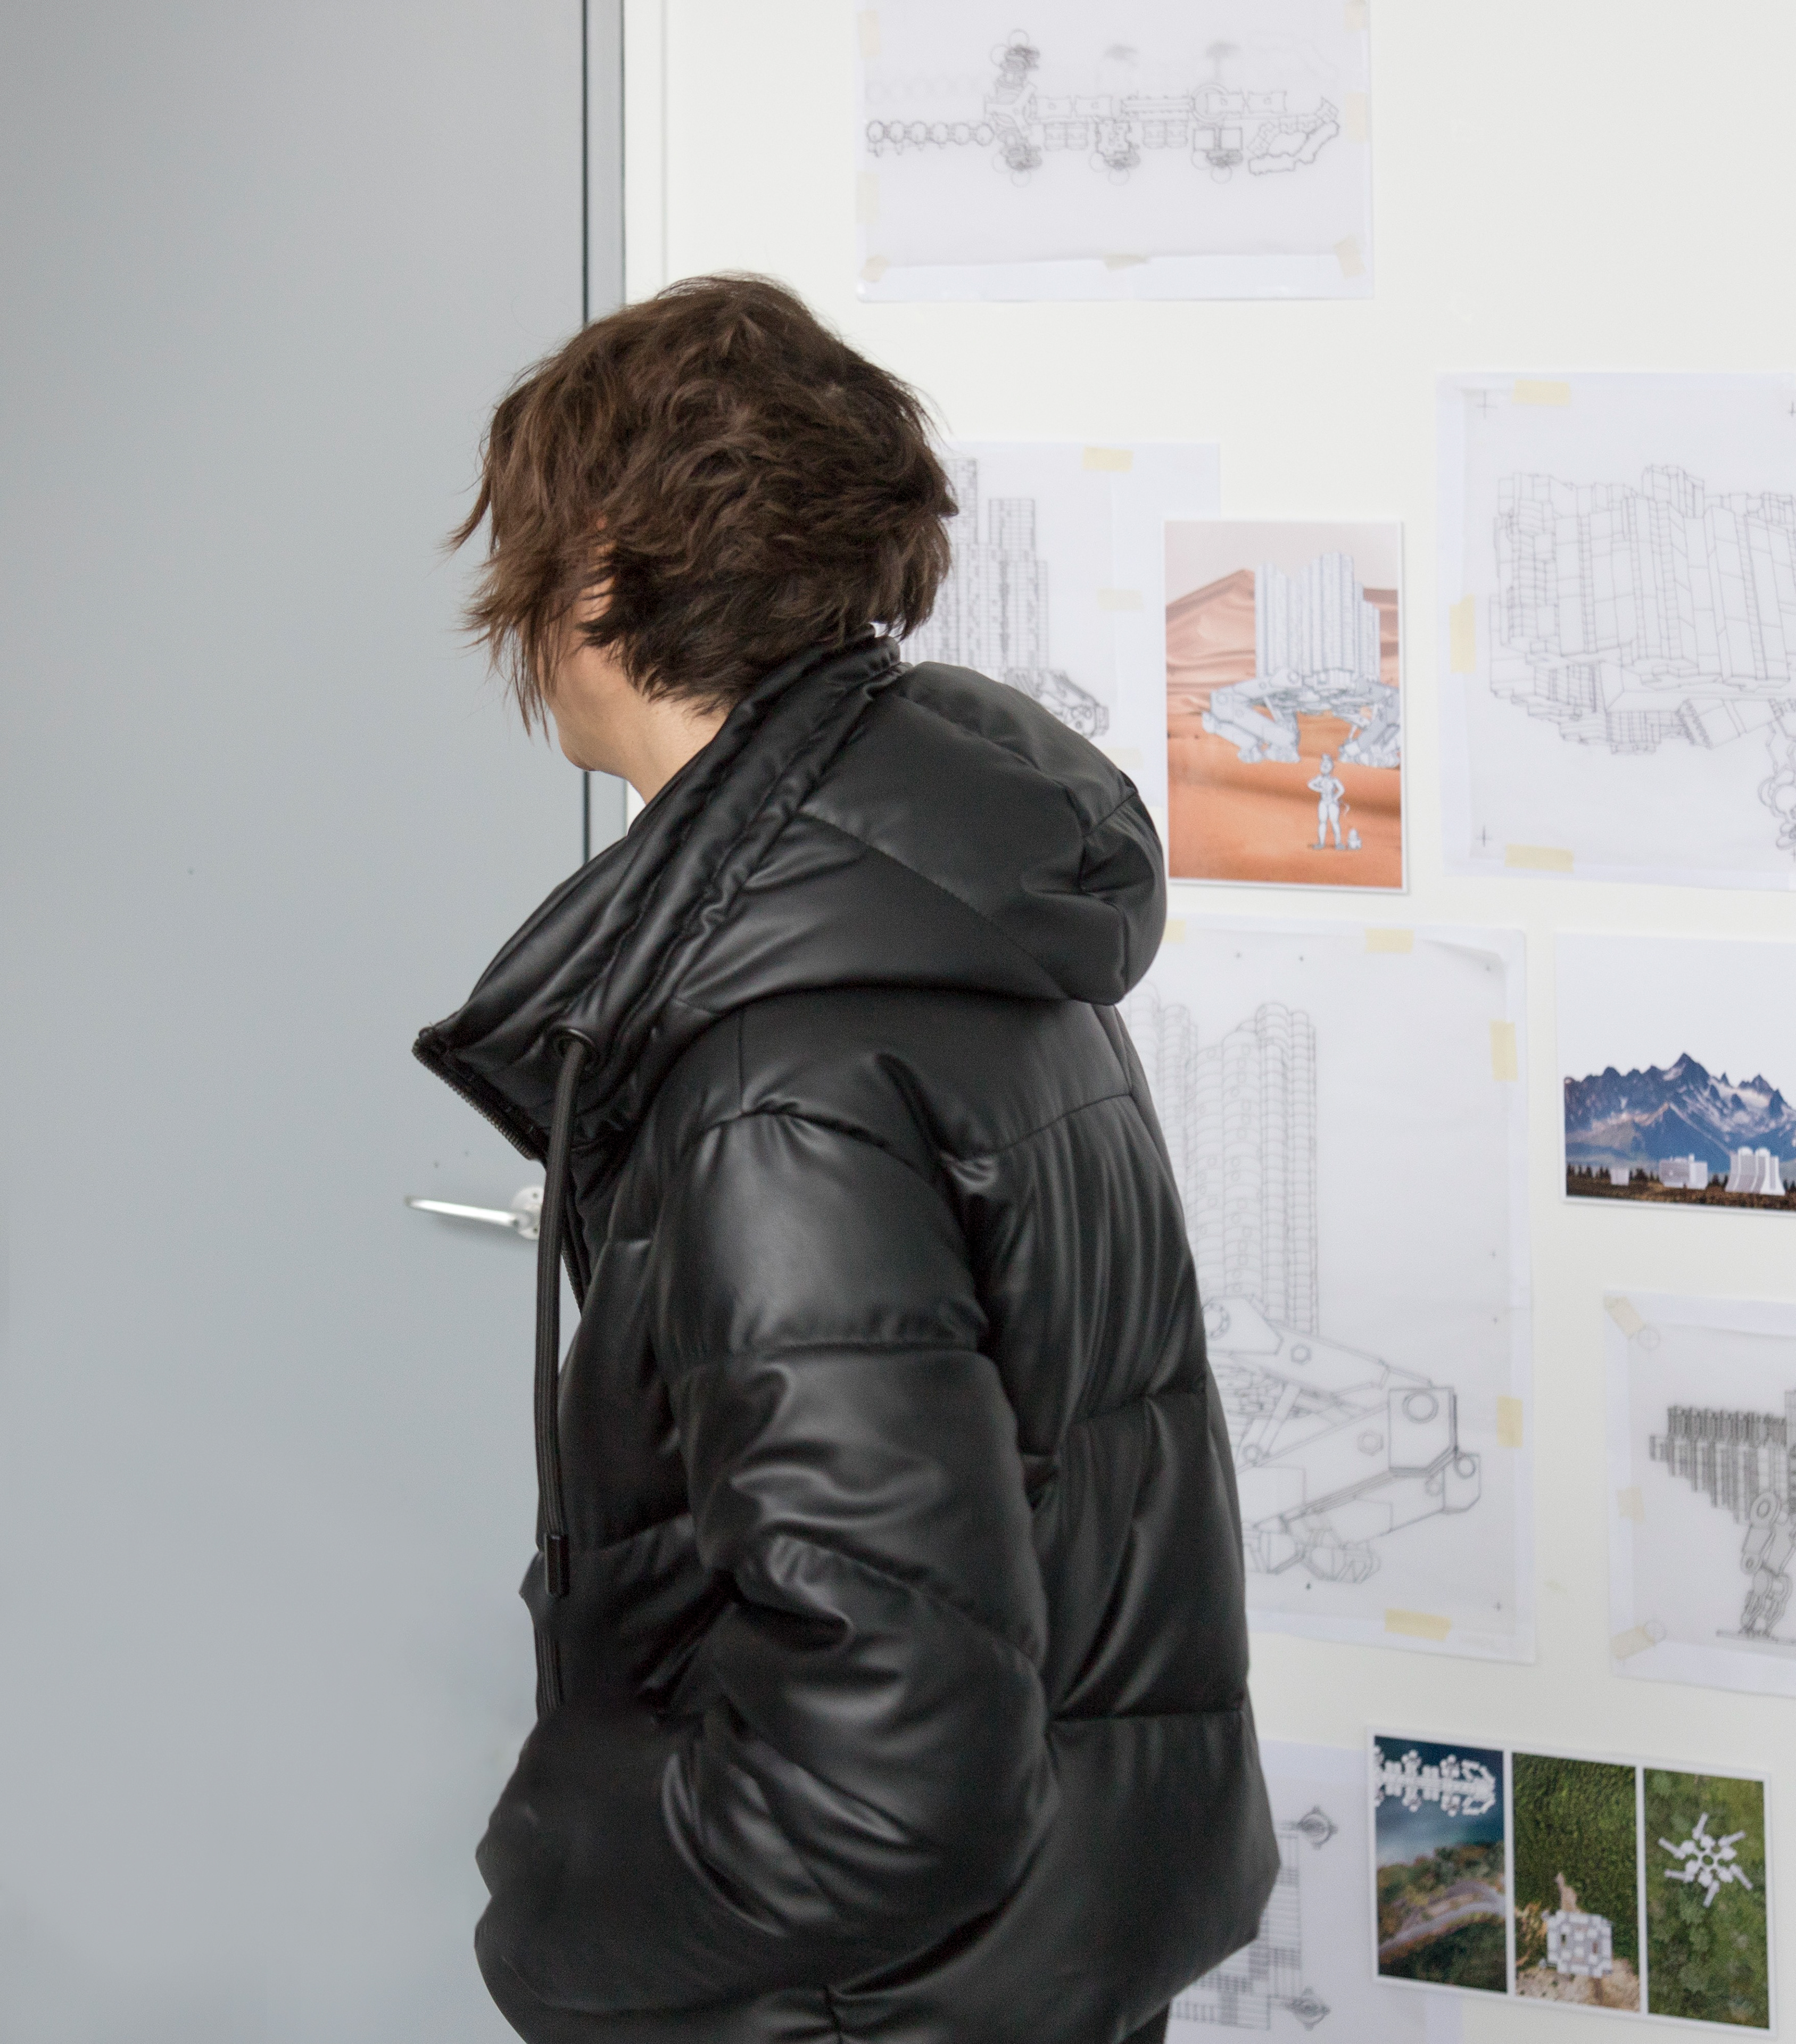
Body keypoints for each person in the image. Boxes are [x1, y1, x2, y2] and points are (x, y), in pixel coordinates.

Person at [415, 275, 1276, 2044]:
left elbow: (887, 1778)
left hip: (875, 2008)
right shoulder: (954, 913)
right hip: (1040, 1960)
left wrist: (560, 1917)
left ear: (597, 577)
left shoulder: (780, 1064)